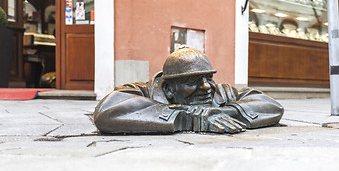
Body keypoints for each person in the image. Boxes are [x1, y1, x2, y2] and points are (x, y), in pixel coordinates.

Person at [94, 47, 284, 134]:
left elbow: (272, 105)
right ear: (168, 88)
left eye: (208, 78)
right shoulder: (145, 91)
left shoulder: (221, 92)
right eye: (192, 81)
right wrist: (188, 118)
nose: (206, 87)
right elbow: (106, 112)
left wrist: (225, 112)